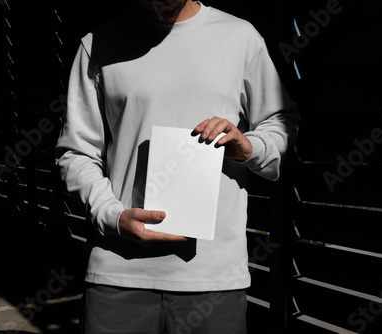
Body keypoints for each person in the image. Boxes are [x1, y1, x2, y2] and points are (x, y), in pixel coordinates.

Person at [55, 0, 299, 333]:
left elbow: (279, 121)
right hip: (118, 274)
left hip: (213, 278)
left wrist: (249, 147)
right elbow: (76, 152)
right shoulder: (97, 44)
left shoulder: (239, 37)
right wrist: (111, 215)